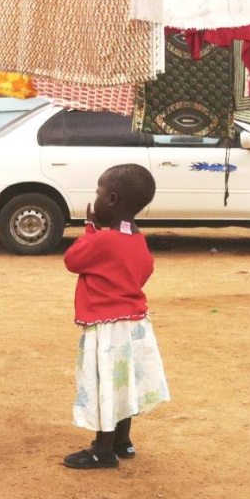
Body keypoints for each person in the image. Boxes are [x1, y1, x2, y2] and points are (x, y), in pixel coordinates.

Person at [62, 164, 170, 469]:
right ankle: (123, 442)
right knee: (123, 382)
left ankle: (103, 450)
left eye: (98, 192)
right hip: (135, 325)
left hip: (106, 328)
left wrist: (90, 230)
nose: (94, 197)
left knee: (106, 383)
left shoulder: (103, 240)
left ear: (111, 199)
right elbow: (145, 268)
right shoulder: (137, 239)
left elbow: (72, 260)